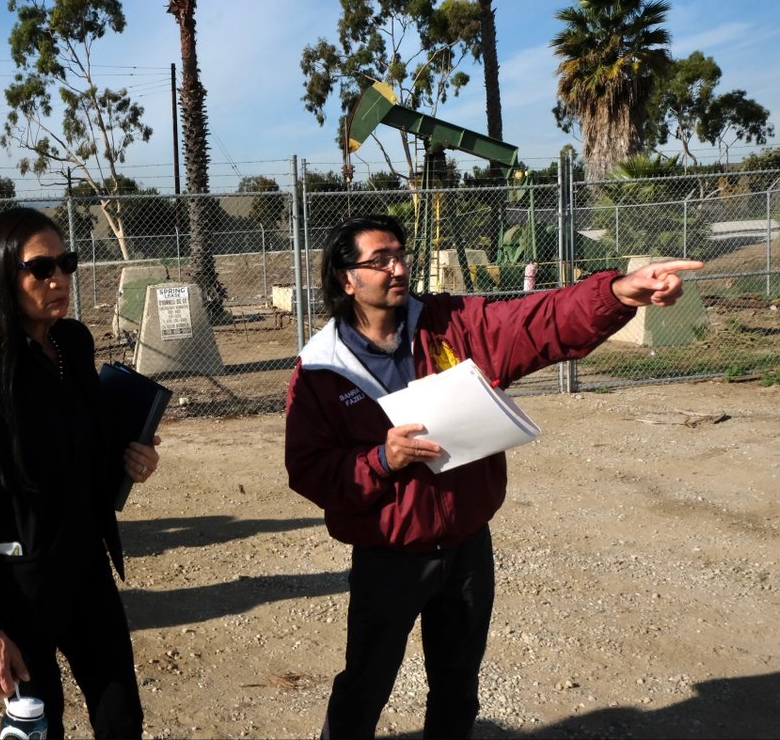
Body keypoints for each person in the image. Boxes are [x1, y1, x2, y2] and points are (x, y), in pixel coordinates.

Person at [283, 214, 702, 739]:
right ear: (348, 279)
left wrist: (619, 292)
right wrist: (382, 460)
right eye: (380, 260)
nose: (398, 267)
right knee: (366, 683)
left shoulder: (452, 324)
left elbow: (538, 319)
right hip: (389, 554)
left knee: (458, 683)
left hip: (466, 546)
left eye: (400, 254)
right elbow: (309, 470)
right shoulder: (323, 369)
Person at [0, 207, 161, 739]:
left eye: (65, 263)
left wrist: (130, 457)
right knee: (39, 727)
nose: (59, 279)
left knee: (122, 719)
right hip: (19, 589)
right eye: (41, 268)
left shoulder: (73, 344)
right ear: (1, 275)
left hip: (87, 567)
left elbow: (85, 434)